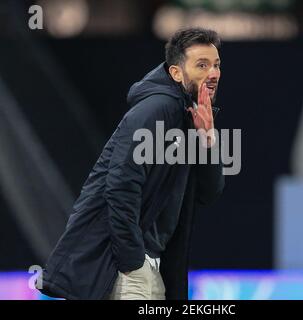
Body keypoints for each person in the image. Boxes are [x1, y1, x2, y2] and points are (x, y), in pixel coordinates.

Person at [38, 27, 225, 300]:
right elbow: (120, 185)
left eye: (217, 65)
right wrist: (132, 261)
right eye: (202, 65)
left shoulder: (190, 116)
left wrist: (208, 139)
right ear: (175, 73)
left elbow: (209, 193)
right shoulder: (157, 109)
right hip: (125, 268)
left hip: (149, 264)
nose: (214, 73)